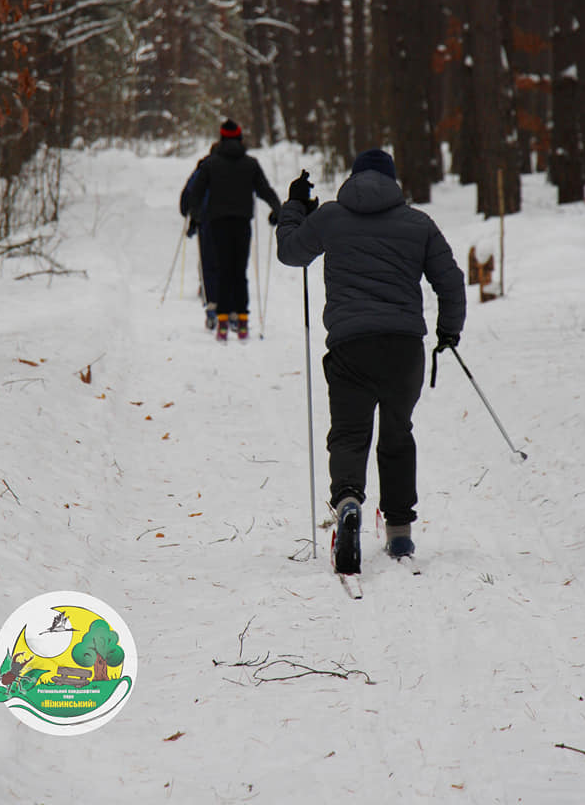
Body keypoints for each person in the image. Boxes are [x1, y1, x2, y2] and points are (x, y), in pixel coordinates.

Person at [276, 148, 466, 574]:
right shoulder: (418, 224)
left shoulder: (329, 217)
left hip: (349, 346)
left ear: (352, 177)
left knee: (348, 433)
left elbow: (291, 252)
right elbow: (450, 281)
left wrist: (295, 209)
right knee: (397, 435)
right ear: (394, 182)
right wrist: (448, 331)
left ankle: (347, 502)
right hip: (403, 349)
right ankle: (399, 533)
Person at [184, 119, 281, 341]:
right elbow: (265, 190)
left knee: (222, 269)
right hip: (242, 223)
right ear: (239, 138)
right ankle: (243, 319)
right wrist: (278, 210)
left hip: (217, 223)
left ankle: (223, 320)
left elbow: (196, 195)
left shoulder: (210, 165)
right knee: (239, 270)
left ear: (221, 138)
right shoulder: (251, 164)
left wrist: (196, 216)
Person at [180, 144, 220, 329]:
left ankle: (211, 306)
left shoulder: (203, 167)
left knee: (209, 262)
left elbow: (189, 193)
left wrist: (189, 214)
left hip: (208, 222)